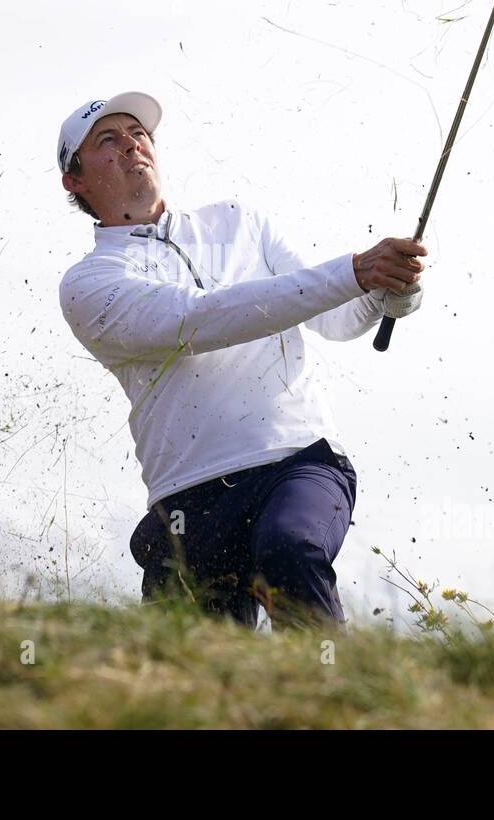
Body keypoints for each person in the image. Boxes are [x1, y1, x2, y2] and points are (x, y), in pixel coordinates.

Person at [56, 91, 427, 631]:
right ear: (76, 180)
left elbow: (337, 319)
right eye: (107, 141)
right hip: (188, 496)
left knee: (289, 550)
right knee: (189, 673)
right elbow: (200, 320)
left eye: (138, 134)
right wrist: (355, 272)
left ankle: (335, 704)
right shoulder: (89, 283)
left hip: (297, 461)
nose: (132, 146)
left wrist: (394, 290)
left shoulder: (238, 220)